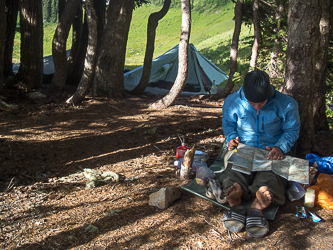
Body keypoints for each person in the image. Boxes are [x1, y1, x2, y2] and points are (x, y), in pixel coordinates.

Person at [219, 69, 300, 238]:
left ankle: (258, 204)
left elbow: (292, 130)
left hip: (271, 151)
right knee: (232, 172)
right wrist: (232, 138)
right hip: (244, 148)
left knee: (273, 176)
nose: (257, 107)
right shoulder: (232, 101)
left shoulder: (286, 103)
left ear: (270, 92)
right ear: (244, 94)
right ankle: (235, 198)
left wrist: (281, 147)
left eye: (261, 103)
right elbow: (228, 124)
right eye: (252, 103)